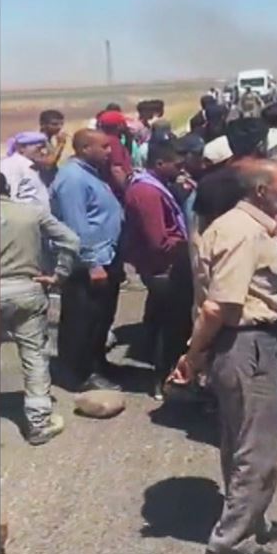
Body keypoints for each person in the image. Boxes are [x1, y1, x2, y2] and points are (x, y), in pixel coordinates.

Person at [169, 161, 277, 554]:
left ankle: (253, 520)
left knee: (240, 442)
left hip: (246, 344)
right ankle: (229, 545)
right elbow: (219, 307)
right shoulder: (243, 232)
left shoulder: (243, 226)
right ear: (260, 191)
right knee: (259, 451)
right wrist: (193, 357)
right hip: (246, 344)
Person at [1, 173, 78, 445]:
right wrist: (59, 274)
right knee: (34, 356)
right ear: (7, 188)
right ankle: (38, 423)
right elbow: (71, 240)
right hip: (26, 289)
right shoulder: (31, 212)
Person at [50, 130, 126, 392]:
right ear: (84, 149)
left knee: (101, 318)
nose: (109, 151)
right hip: (87, 264)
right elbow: (76, 226)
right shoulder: (72, 179)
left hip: (106, 257)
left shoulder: (91, 173)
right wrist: (92, 263)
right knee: (82, 321)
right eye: (104, 147)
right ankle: (78, 374)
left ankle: (97, 363)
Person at [123, 140, 193, 399]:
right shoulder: (147, 193)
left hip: (163, 265)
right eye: (177, 164)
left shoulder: (155, 186)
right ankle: (162, 377)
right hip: (162, 268)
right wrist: (188, 244)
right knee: (169, 326)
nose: (181, 169)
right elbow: (158, 241)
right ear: (160, 163)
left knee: (160, 320)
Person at [0, 131, 51, 210]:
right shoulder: (12, 165)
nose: (43, 152)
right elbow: (11, 198)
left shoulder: (31, 165)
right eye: (39, 148)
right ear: (22, 148)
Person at [95, 110, 137, 199]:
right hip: (118, 191)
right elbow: (117, 169)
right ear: (119, 126)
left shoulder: (103, 139)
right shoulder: (113, 142)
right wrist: (128, 191)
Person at [37, 109, 70, 184]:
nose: (59, 127)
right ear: (43, 124)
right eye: (54, 124)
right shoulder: (39, 141)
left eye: (61, 124)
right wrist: (60, 144)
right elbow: (48, 163)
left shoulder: (48, 140)